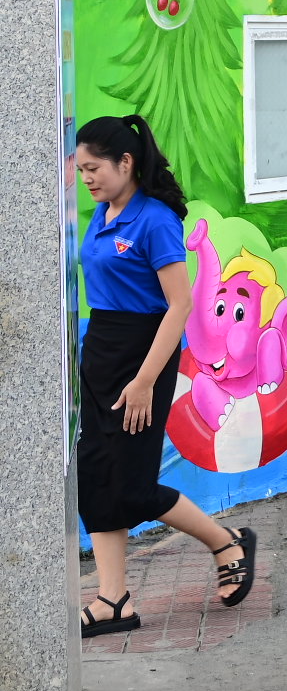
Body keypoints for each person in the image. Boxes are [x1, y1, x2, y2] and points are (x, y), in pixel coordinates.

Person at [73, 115, 258, 636]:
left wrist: (144, 381)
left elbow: (178, 306)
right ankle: (113, 601)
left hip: (143, 355)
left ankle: (226, 541)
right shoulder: (103, 214)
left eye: (94, 168)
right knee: (96, 475)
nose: (87, 178)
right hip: (103, 352)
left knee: (131, 486)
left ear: (125, 162)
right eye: (81, 169)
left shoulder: (154, 221)